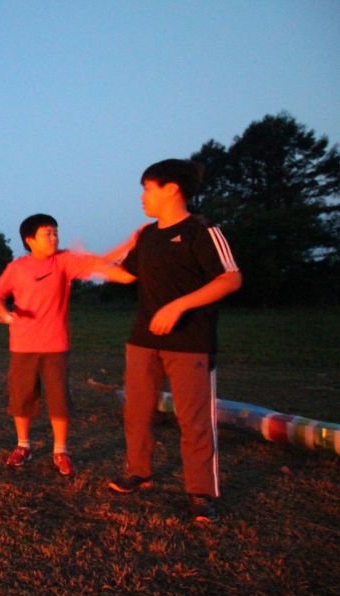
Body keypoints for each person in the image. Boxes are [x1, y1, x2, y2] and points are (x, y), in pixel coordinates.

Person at [105, 159, 241, 523]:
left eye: (148, 188)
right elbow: (125, 274)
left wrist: (178, 306)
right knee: (136, 411)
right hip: (142, 340)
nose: (143, 197)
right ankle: (138, 471)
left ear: (172, 189)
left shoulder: (202, 230)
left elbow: (230, 279)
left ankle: (201, 492)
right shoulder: (148, 236)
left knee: (194, 419)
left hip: (191, 342)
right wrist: (78, 264)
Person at [0, 214, 127, 476]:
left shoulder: (64, 261)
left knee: (59, 399)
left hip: (55, 345)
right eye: (47, 234)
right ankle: (23, 446)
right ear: (30, 240)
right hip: (23, 345)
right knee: (22, 398)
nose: (54, 238)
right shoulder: (17, 268)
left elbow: (99, 262)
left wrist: (130, 244)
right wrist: (4, 314)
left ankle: (60, 450)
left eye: (55, 233)